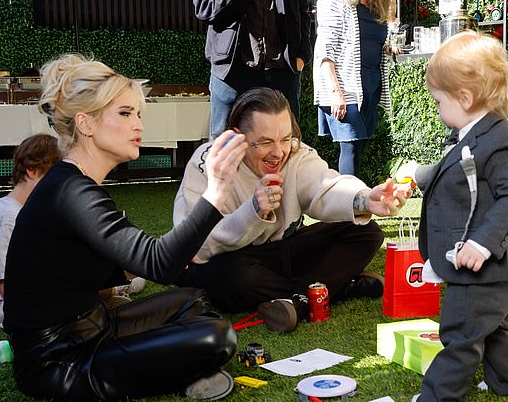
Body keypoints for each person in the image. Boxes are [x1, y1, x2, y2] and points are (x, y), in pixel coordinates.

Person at [2, 53, 248, 402]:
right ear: (86, 124)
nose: (139, 126)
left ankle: (178, 367)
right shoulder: (71, 192)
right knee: (216, 336)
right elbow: (159, 264)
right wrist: (218, 191)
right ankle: (183, 371)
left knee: (193, 301)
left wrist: (184, 246)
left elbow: (131, 259)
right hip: (58, 362)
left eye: (137, 114)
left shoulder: (74, 183)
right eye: (125, 113)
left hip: (96, 325)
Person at [173, 87, 412, 333]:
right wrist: (253, 211)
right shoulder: (208, 161)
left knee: (366, 231)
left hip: (282, 250)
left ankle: (300, 299)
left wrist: (364, 199)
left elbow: (325, 185)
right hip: (229, 261)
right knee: (230, 276)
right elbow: (195, 245)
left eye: (286, 138)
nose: (279, 152)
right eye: (266, 142)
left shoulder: (296, 153)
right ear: (238, 137)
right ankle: (329, 288)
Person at [396, 31, 508, 402]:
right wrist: (416, 177)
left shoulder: (500, 142)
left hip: (486, 262)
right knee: (490, 328)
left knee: (460, 331)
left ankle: (440, 398)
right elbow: (452, 170)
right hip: (485, 265)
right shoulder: (475, 133)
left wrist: (482, 243)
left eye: (439, 101)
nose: (438, 109)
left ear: (464, 98)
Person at [193, 0, 313, 139]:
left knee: (286, 144)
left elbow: (302, 9)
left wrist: (302, 55)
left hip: (282, 71)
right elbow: (204, 7)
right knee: (225, 146)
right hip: (232, 74)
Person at [0, 134, 60, 328]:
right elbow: (7, 287)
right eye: (53, 178)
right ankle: (114, 290)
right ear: (31, 171)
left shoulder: (20, 210)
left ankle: (113, 288)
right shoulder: (10, 218)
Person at [313, 0, 396, 177]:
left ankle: (347, 198)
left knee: (358, 145)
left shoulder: (379, 3)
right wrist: (335, 92)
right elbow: (325, 48)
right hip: (344, 85)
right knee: (350, 145)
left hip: (370, 85)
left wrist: (389, 47)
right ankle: (350, 200)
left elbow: (374, 41)